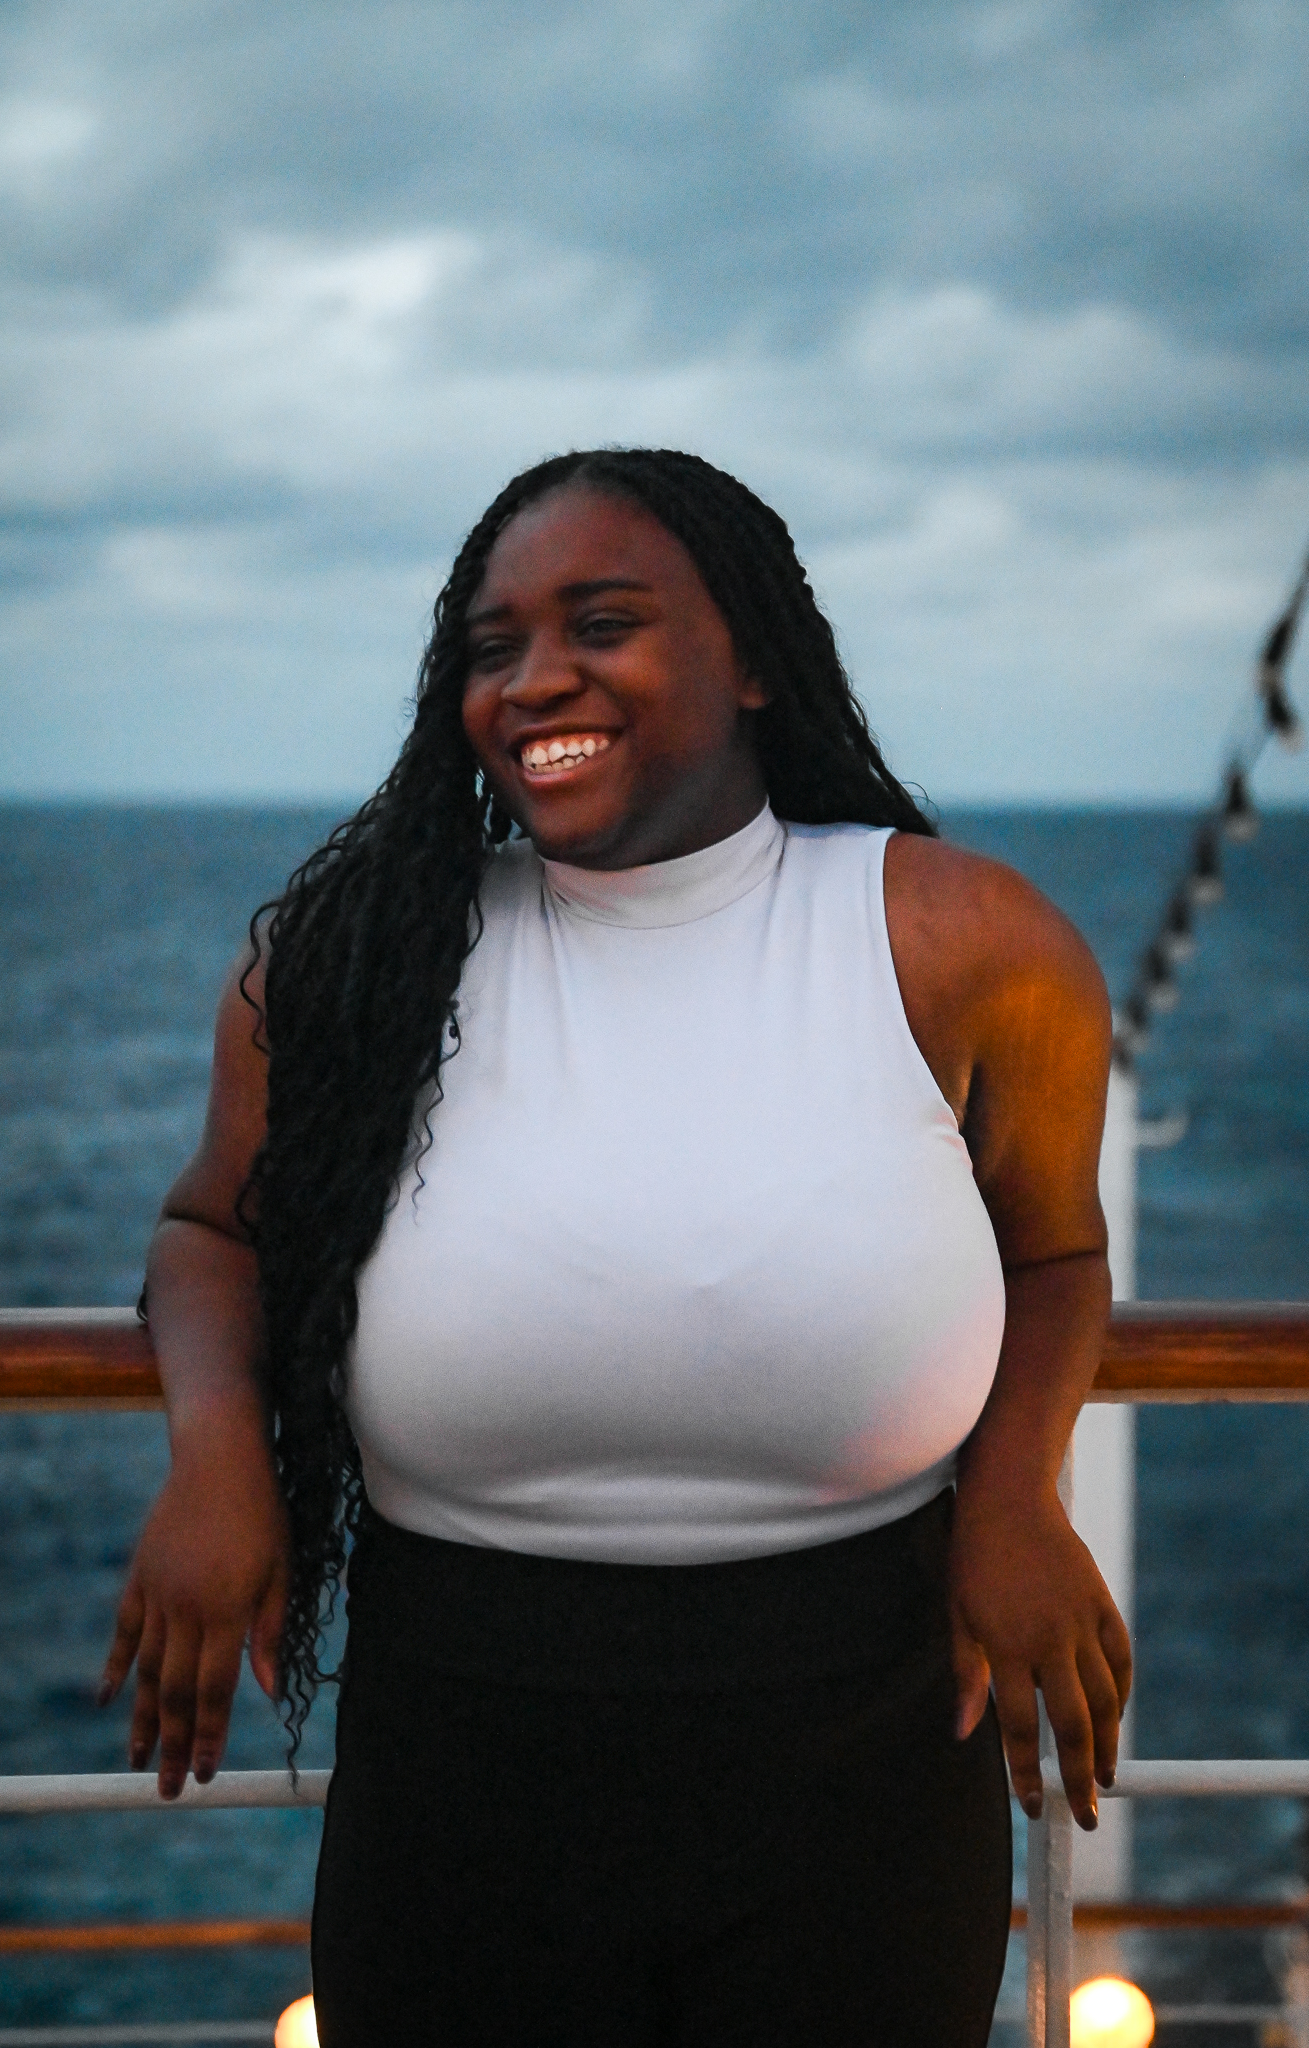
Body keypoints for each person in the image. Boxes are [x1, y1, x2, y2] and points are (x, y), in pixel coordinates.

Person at [101, 448, 1132, 2047]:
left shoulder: (961, 940)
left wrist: (1016, 1494)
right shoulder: (352, 958)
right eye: (492, 646)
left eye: (603, 622)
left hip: (865, 1728)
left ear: (760, 665)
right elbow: (206, 1228)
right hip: (461, 1737)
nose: (535, 682)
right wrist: (219, 1453)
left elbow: (1055, 1257)